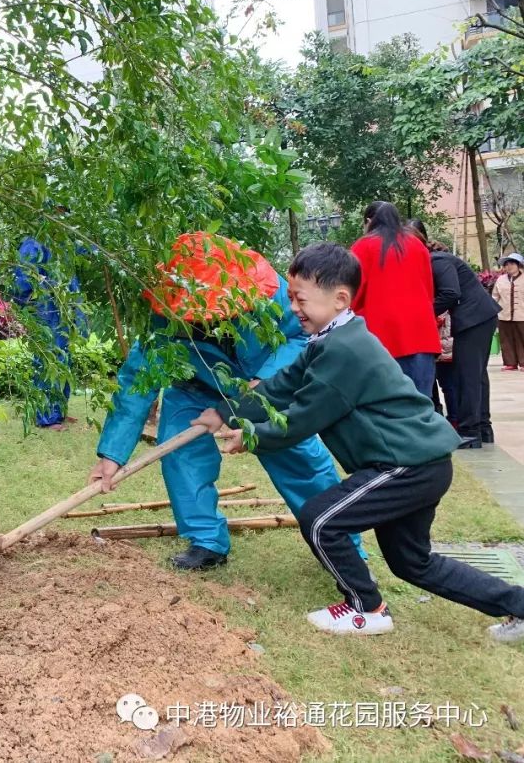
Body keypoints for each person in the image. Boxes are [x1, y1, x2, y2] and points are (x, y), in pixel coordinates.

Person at [193, 242, 524, 641]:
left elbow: (301, 418)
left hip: (407, 465)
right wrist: (228, 412)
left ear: (339, 299)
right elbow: (280, 387)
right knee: (413, 563)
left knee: (321, 520)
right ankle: (518, 605)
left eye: (300, 299)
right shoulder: (332, 339)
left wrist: (250, 435)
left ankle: (365, 609)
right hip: (418, 463)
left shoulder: (345, 350)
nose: (293, 307)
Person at [88, 232, 362, 571]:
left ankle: (341, 544)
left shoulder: (273, 292)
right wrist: (111, 455)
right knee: (180, 454)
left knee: (297, 458)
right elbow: (136, 383)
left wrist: (266, 380)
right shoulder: (164, 310)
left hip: (263, 383)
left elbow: (301, 336)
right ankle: (206, 541)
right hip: (194, 385)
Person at [407, 220, 500, 447]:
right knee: (476, 376)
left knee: (466, 376)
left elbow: (450, 293)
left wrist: (422, 313)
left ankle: (470, 432)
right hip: (478, 318)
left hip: (475, 319)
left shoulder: (438, 261)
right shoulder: (434, 261)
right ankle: (482, 429)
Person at [351, 201, 441, 395]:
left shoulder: (363, 246)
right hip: (422, 334)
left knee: (388, 406)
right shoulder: (417, 245)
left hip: (383, 338)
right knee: (421, 404)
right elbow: (428, 289)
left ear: (368, 222)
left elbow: (352, 294)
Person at [12, 236, 86, 430]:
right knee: (48, 361)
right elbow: (24, 281)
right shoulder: (35, 243)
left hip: (63, 312)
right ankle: (46, 417)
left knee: (63, 361)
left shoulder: (63, 242)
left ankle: (58, 412)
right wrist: (40, 301)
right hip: (46, 311)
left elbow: (84, 251)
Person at [493, 252, 524, 371]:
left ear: (518, 265)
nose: (508, 266)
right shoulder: (501, 279)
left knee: (522, 338)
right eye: (506, 264)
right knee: (506, 340)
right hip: (504, 315)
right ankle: (510, 363)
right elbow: (495, 297)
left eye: (511, 263)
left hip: (522, 315)